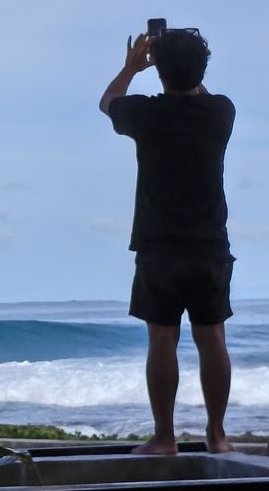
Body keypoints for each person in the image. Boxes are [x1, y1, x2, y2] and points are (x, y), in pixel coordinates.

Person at [100, 28, 235, 456]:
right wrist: (181, 66)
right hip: (209, 245)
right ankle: (217, 435)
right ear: (202, 70)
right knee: (212, 338)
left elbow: (108, 103)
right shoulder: (220, 113)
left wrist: (131, 67)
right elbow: (199, 91)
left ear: (158, 68)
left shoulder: (145, 114)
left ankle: (164, 437)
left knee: (163, 340)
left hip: (160, 246)